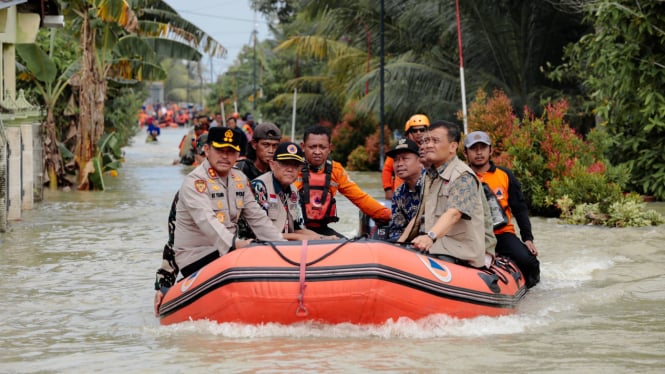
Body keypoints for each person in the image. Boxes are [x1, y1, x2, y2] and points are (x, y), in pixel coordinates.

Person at [398, 120, 490, 268]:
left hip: (460, 254)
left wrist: (430, 237)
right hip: (436, 247)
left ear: (453, 146)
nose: (428, 145)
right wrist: (399, 245)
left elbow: (454, 214)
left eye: (435, 141)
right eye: (426, 140)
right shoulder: (429, 176)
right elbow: (418, 217)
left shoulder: (463, 176)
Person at [463, 130, 540, 287]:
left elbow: (519, 208)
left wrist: (528, 238)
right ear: (465, 153)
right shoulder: (461, 176)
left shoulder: (505, 175)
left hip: (502, 234)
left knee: (528, 261)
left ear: (490, 150)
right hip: (470, 235)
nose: (479, 153)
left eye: (483, 148)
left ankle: (532, 288)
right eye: (474, 148)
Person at [296, 125, 391, 238]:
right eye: (312, 147)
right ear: (303, 147)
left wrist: (389, 215)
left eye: (322, 147)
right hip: (294, 229)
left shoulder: (336, 171)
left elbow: (360, 198)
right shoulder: (292, 167)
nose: (317, 152)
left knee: (350, 248)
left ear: (330, 148)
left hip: (320, 229)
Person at [251, 142, 334, 240]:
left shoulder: (294, 191)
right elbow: (261, 233)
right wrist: (298, 237)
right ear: (272, 165)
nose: (290, 169)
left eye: (295, 165)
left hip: (285, 244)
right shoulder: (259, 187)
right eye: (285, 163)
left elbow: (297, 227)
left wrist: (322, 238)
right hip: (258, 246)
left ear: (299, 169)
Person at [382, 114, 430, 199]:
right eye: (414, 131)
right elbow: (387, 170)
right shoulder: (398, 150)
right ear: (409, 133)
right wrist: (388, 190)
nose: (418, 133)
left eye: (422, 130)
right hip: (400, 193)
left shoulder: (431, 149)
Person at [385, 138, 424, 241]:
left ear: (420, 161)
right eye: (396, 160)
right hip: (410, 247)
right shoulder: (398, 193)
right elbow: (397, 229)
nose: (399, 164)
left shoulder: (432, 184)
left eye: (405, 158)